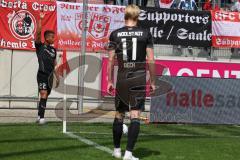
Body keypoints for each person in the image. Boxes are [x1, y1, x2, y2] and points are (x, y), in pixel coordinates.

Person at [107, 4, 156, 160]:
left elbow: (110, 60)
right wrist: (153, 81)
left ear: (125, 15)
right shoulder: (146, 34)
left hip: (122, 76)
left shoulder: (115, 34)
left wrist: (109, 80)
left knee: (119, 114)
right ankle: (128, 153)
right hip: (138, 75)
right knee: (135, 115)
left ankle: (116, 150)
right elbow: (151, 60)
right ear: (137, 16)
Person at [35, 12, 59, 124]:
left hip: (50, 76)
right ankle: (42, 118)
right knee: (43, 93)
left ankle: (39, 115)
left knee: (45, 96)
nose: (54, 39)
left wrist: (57, 77)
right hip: (42, 74)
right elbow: (38, 33)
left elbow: (55, 64)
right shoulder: (40, 46)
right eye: (52, 37)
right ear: (47, 38)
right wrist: (40, 19)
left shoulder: (54, 50)